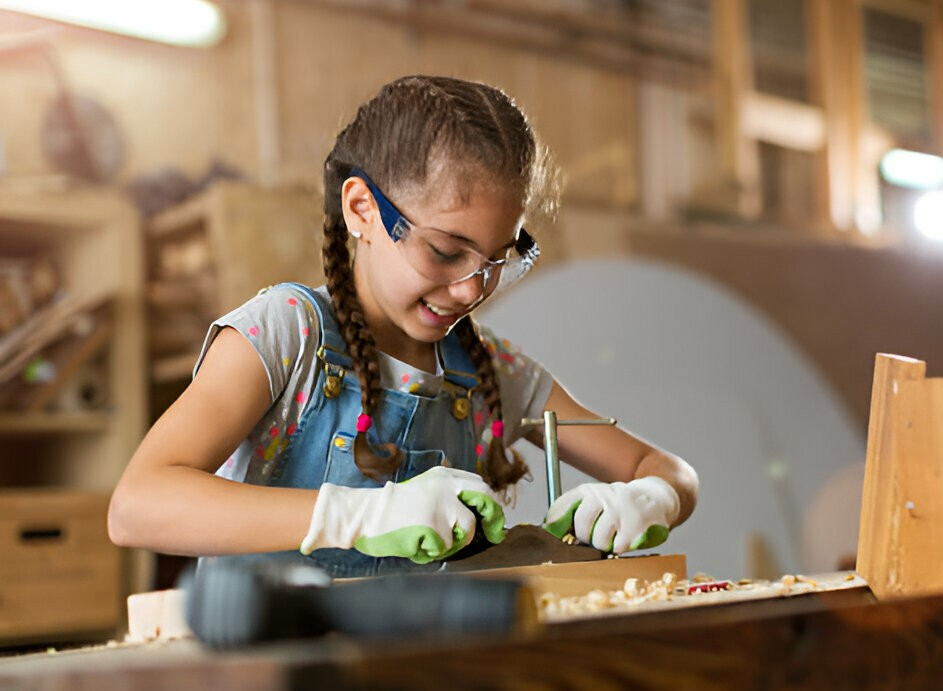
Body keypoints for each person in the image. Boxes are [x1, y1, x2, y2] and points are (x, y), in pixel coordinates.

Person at [108, 75, 698, 578]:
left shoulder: (494, 371)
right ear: (362, 209)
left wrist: (649, 497)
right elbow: (137, 505)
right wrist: (358, 516)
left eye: (497, 261)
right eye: (445, 251)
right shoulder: (287, 335)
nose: (471, 289)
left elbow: (670, 470)